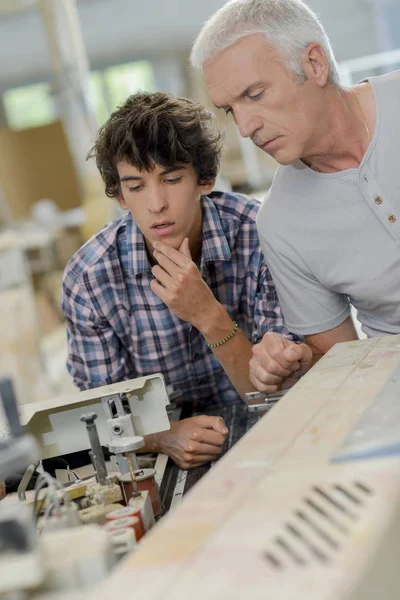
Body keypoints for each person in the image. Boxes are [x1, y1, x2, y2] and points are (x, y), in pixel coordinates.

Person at [62, 91, 295, 469]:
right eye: (136, 186)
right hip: (165, 455)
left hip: (274, 434)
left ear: (205, 179)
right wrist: (164, 436)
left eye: (171, 179)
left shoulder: (260, 235)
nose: (155, 204)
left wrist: (206, 314)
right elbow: (101, 417)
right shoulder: (89, 278)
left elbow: (280, 396)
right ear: (120, 195)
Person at [191, 0, 400, 393]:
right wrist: (303, 366)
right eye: (230, 110)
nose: (246, 127)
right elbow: (342, 366)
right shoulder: (280, 224)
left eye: (254, 94)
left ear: (315, 64)